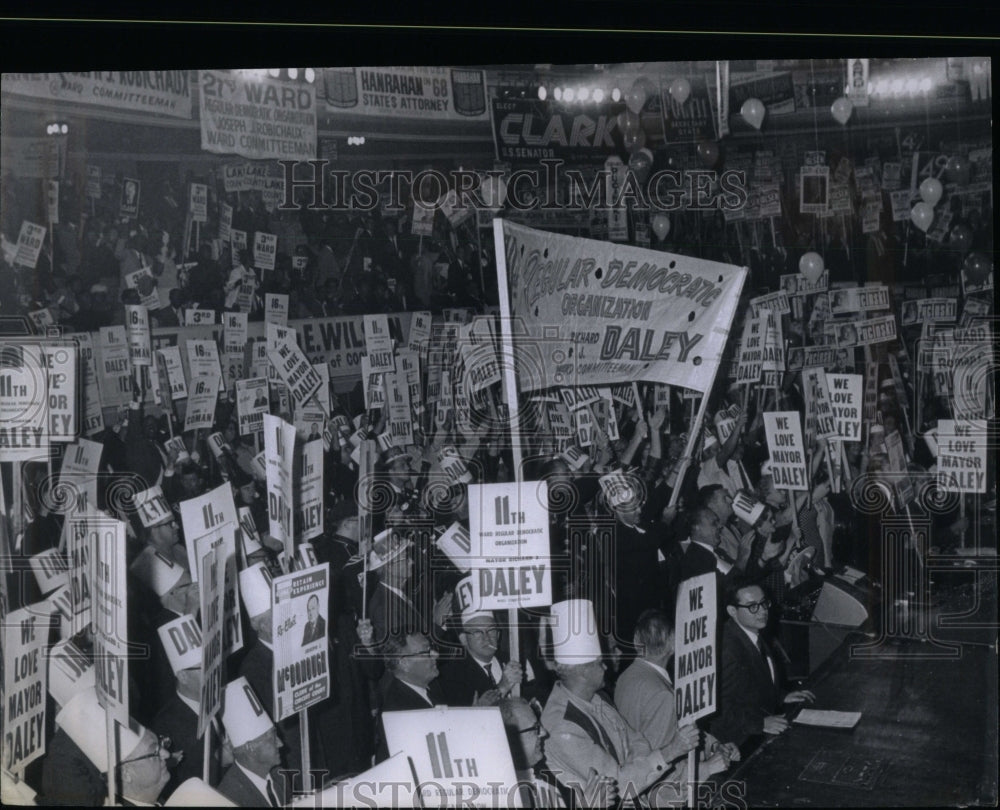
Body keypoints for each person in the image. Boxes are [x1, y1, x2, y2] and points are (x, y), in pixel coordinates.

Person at [540, 600, 699, 805]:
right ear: (582, 671)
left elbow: (639, 740)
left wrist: (630, 769)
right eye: (599, 663)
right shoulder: (563, 726)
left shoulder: (595, 699)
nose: (605, 667)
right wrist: (670, 752)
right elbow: (621, 785)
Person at [615, 609, 740, 801]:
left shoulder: (626, 678)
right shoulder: (663, 695)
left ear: (635, 640)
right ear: (674, 644)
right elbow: (661, 772)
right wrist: (706, 768)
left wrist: (714, 745)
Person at [711, 582, 816, 755]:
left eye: (764, 603)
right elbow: (717, 708)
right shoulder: (727, 648)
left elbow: (750, 684)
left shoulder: (751, 631)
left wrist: (781, 695)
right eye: (753, 606)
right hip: (738, 743)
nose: (762, 611)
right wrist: (760, 724)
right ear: (732, 611)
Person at [373, 630, 446, 762]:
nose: (435, 654)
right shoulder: (398, 711)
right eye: (426, 651)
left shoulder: (433, 687)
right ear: (405, 664)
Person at [437, 603, 524, 707]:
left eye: (491, 630)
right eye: (477, 632)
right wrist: (501, 688)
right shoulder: (451, 675)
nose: (486, 638)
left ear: (498, 634)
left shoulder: (514, 659)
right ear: (464, 639)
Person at [218, 677, 285, 806]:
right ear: (250, 747)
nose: (280, 743)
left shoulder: (279, 776)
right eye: (272, 738)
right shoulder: (228, 798)